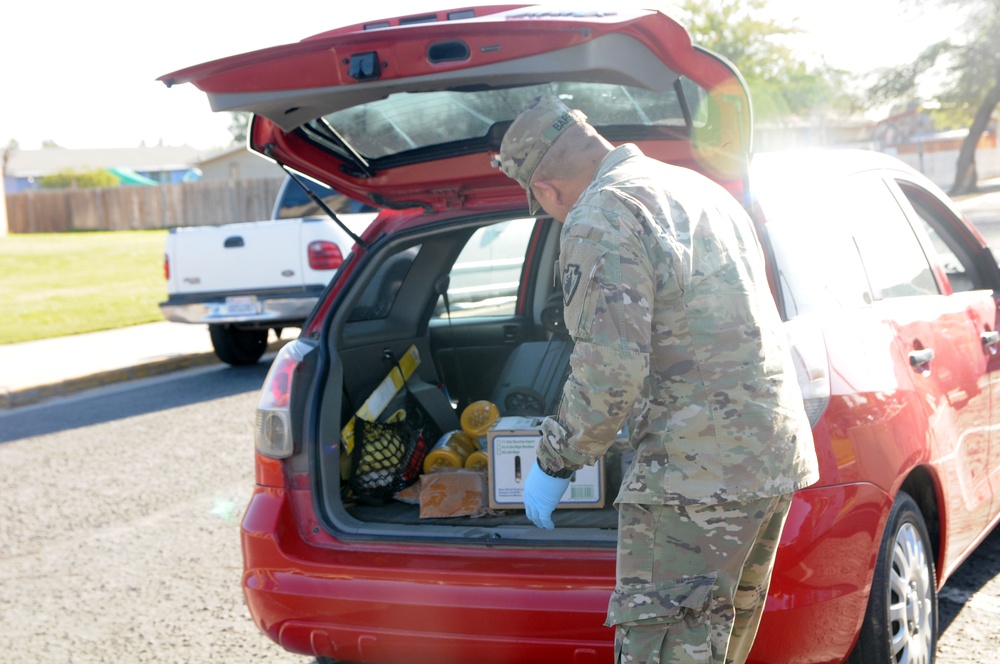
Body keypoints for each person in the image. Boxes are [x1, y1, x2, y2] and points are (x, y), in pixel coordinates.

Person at [495, 95, 820, 664]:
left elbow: (610, 369)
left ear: (546, 188)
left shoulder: (602, 212)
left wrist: (554, 462)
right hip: (767, 459)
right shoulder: (697, 190)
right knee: (717, 644)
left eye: (546, 205)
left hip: (694, 476)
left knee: (664, 646)